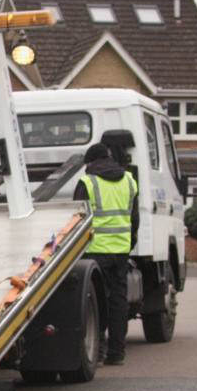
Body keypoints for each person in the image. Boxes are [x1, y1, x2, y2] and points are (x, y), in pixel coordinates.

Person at [72, 142, 140, 365]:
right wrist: (129, 242)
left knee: (96, 301)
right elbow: (134, 218)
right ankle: (116, 353)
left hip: (93, 251)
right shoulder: (129, 180)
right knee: (119, 301)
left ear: (91, 162)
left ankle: (98, 350)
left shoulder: (88, 182)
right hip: (120, 250)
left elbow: (76, 219)